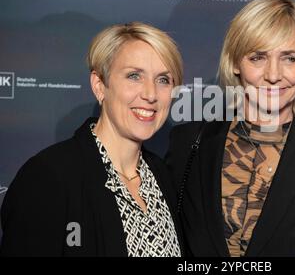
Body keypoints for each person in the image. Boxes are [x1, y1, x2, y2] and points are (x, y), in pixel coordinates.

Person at [165, 0, 295, 257]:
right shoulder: (188, 143)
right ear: (236, 62)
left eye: (290, 58)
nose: (273, 75)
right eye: (258, 57)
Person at [1, 22, 183, 257]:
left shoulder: (163, 177)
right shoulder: (49, 176)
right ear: (99, 86)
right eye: (134, 76)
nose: (150, 94)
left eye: (163, 80)